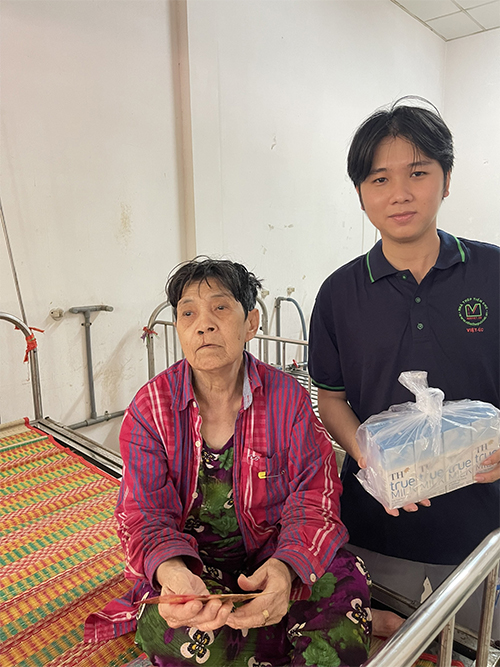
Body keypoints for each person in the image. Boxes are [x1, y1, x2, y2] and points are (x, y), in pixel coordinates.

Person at [85, 258, 373, 667]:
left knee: (344, 589)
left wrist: (285, 569)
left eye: (220, 307)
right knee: (171, 632)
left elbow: (315, 498)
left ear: (251, 322)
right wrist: (172, 572)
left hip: (278, 553)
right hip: (199, 567)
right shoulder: (150, 409)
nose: (203, 325)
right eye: (188, 314)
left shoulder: (288, 400)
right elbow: (143, 515)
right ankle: (291, 630)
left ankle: (273, 625)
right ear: (179, 328)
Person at [308, 98, 500, 637]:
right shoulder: (339, 294)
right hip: (375, 526)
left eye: (417, 172)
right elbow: (331, 398)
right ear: (360, 193)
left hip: (483, 528)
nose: (399, 193)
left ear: (446, 179)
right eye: (379, 179)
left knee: (476, 644)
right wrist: (368, 456)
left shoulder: (492, 272)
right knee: (376, 641)